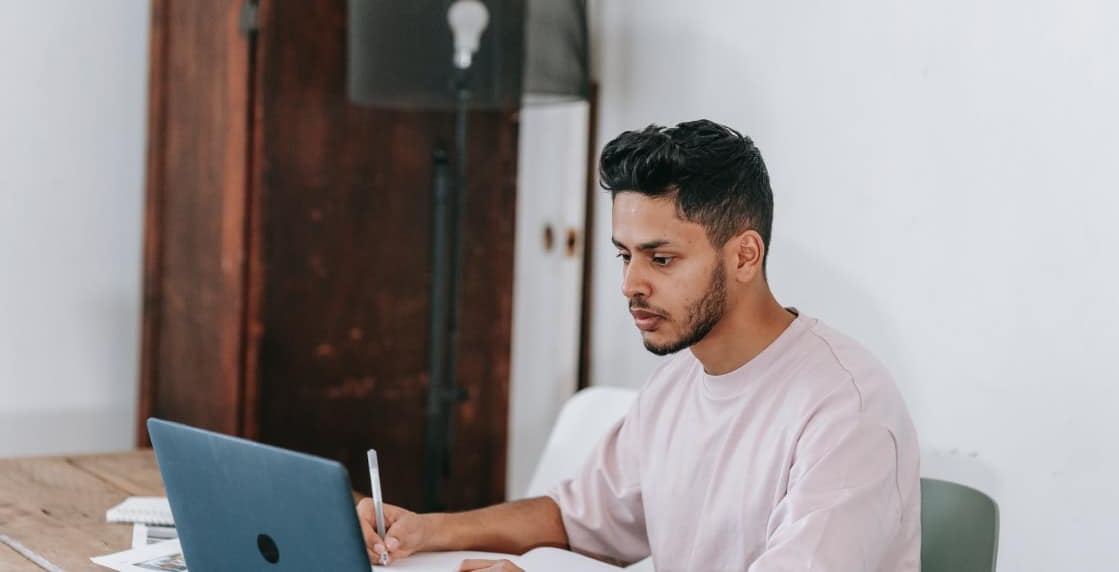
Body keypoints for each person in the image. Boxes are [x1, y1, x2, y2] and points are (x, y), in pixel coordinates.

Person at [359, 119, 921, 572]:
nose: (630, 285)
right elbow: (577, 520)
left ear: (745, 256)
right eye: (625, 255)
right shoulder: (676, 382)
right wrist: (424, 530)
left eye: (662, 258)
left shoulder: (847, 411)